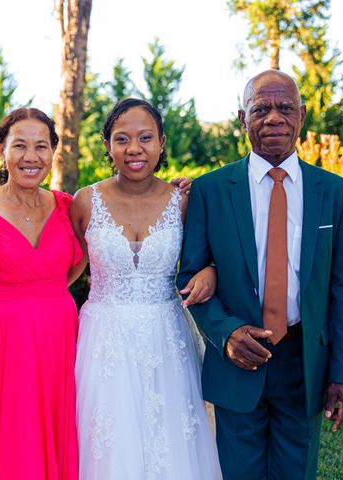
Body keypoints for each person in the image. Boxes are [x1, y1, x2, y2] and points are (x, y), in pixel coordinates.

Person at [177, 70, 343, 480]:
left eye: (285, 108)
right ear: (242, 118)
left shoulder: (334, 192)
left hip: (304, 363)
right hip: (237, 361)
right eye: (261, 108)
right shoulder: (210, 191)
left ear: (303, 115)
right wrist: (226, 334)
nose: (274, 118)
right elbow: (190, 277)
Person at [70, 98, 223, 480]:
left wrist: (212, 273)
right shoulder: (85, 201)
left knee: (170, 437)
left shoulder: (184, 200)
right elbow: (62, 267)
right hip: (104, 338)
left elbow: (209, 259)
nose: (134, 149)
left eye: (145, 138)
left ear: (161, 143)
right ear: (107, 146)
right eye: (122, 139)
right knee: (108, 439)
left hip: (166, 335)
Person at [0, 108, 84, 479]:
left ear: (53, 152)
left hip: (59, 344)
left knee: (61, 438)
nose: (31, 157)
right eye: (19, 145)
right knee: (11, 449)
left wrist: (46, 292)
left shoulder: (67, 209)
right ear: (0, 151)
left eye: (41, 146)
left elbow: (79, 263)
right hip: (2, 351)